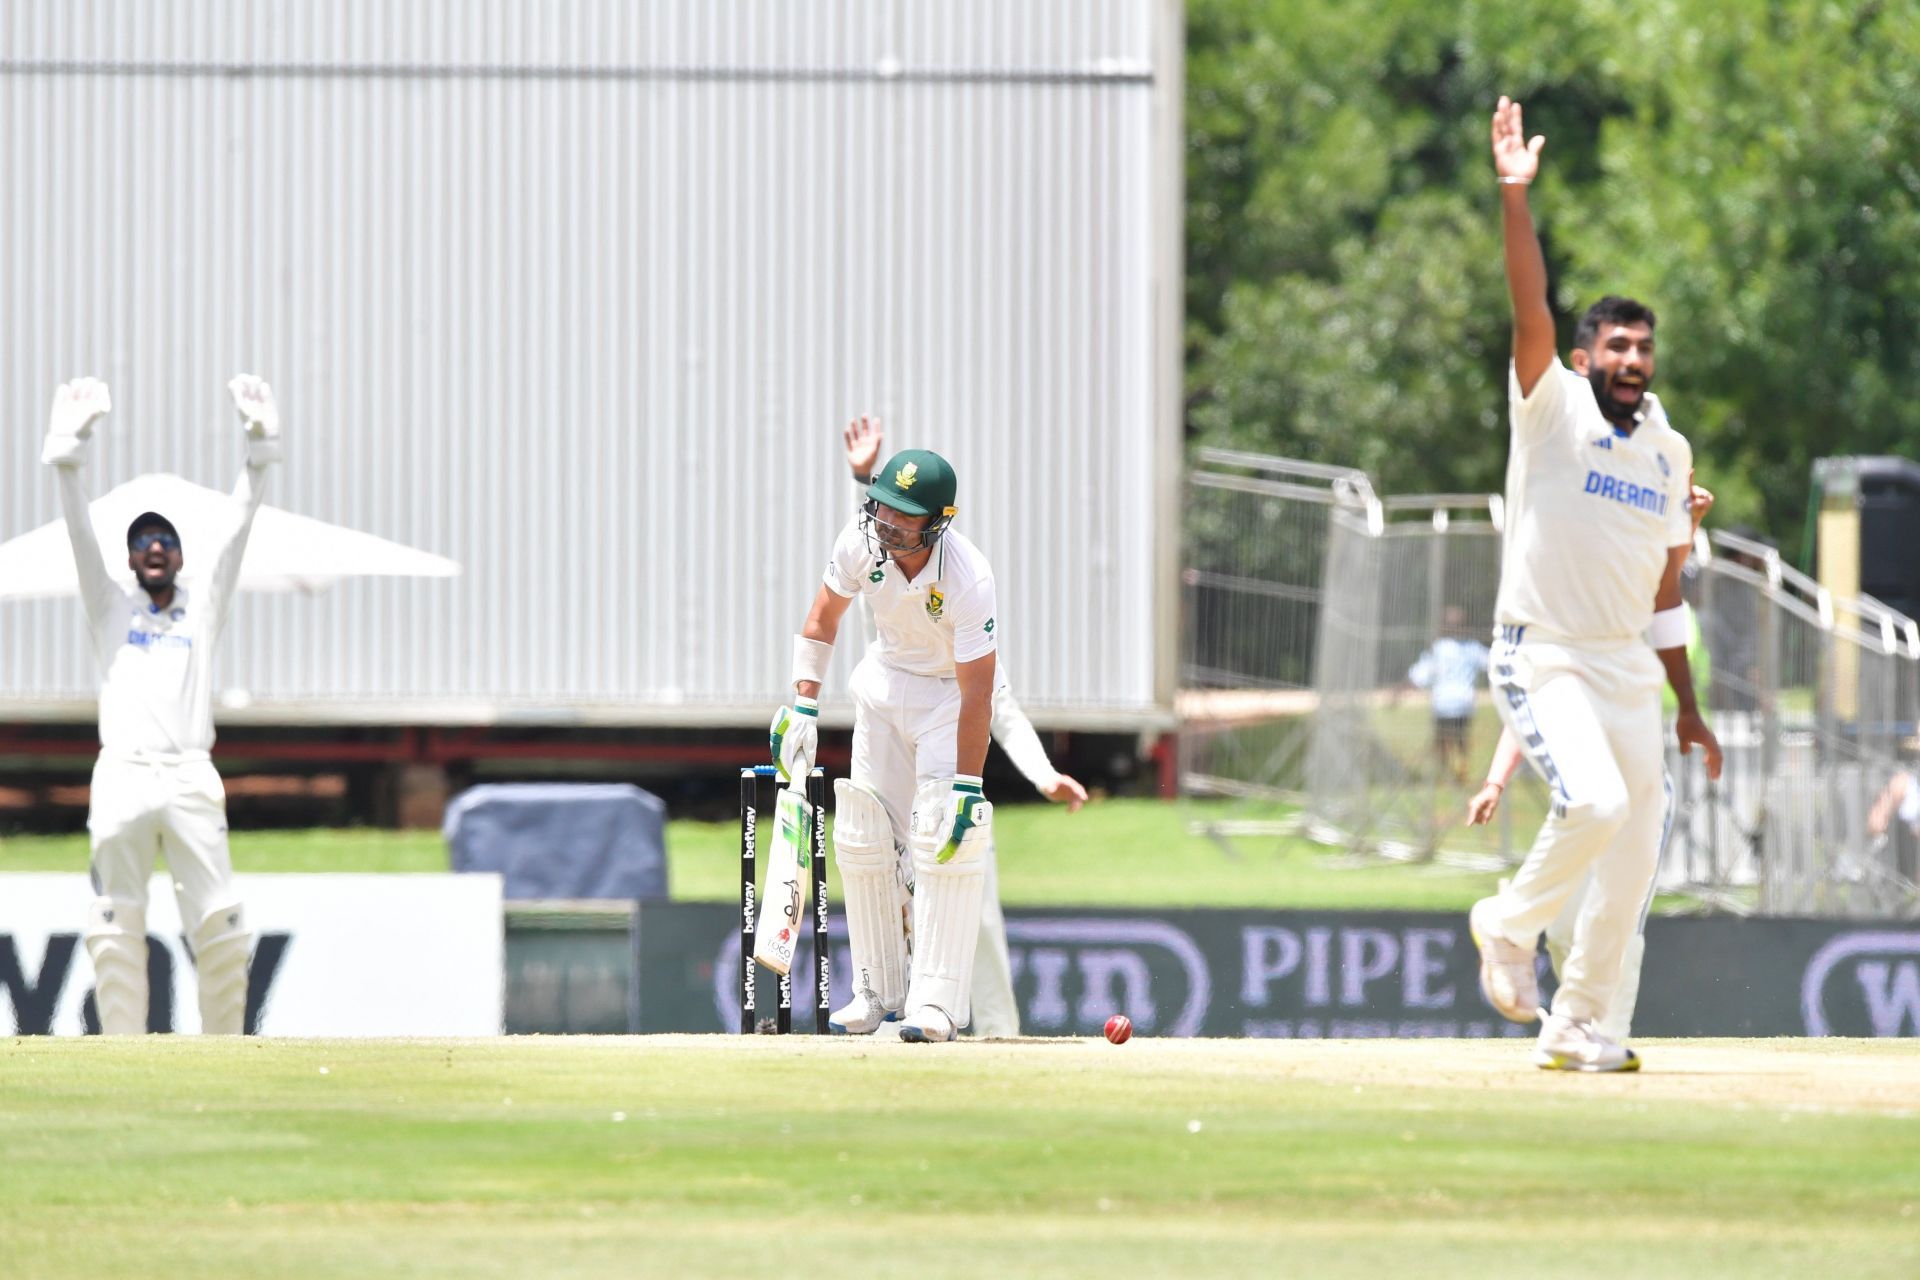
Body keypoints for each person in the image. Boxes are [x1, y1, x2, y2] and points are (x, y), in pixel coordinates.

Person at [1470, 96, 1722, 1073]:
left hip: (1627, 668)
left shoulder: (1669, 450)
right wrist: (1514, 196)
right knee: (1598, 804)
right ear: (1584, 359)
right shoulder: (1550, 407)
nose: (1631, 360)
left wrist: (1689, 706)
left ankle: (1576, 1021)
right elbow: (1528, 300)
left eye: (1642, 348)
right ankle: (1506, 919)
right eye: (1615, 347)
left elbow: (1666, 593)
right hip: (1545, 650)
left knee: (1634, 857)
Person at [44, 375, 283, 1035]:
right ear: (129, 557)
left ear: (179, 555)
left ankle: (225, 1048)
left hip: (188, 773)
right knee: (116, 917)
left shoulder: (199, 609)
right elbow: (77, 534)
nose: (155, 547)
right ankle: (125, 1055)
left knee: (221, 918)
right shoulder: (108, 604)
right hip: (122, 771)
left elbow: (235, 535)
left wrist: (260, 452)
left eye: (167, 540)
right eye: (144, 540)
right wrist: (67, 453)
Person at [842, 416, 1088, 1037]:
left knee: (971, 910)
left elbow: (1001, 713)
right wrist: (861, 477)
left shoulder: (970, 637)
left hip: (956, 788)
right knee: (895, 879)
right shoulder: (908, 594)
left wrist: (1046, 777)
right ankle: (907, 1005)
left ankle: (998, 1031)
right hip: (907, 754)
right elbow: (884, 542)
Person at [1469, 476, 1715, 1042]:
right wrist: (1494, 781)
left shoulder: (1636, 611)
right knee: (1564, 927)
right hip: (1582, 794)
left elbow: (1657, 591)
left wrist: (1687, 526)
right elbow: (1527, 705)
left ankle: (1602, 1030)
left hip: (1642, 782)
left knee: (1616, 920)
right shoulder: (1557, 624)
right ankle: (1539, 965)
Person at [770, 441, 1000, 1043]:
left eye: (904, 515)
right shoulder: (860, 539)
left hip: (948, 695)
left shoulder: (968, 578)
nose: (888, 523)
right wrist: (803, 707)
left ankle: (938, 1003)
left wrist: (968, 788)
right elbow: (822, 618)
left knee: (941, 835)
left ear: (938, 522)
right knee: (863, 831)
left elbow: (979, 693)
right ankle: (877, 991)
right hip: (883, 684)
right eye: (884, 508)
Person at [1407, 605, 1490, 785]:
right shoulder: (1472, 647)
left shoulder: (1438, 649)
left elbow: (1420, 676)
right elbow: (1491, 663)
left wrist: (1404, 687)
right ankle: (1462, 771)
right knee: (1461, 739)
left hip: (1443, 703)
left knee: (1442, 742)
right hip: (1464, 702)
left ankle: (1446, 775)